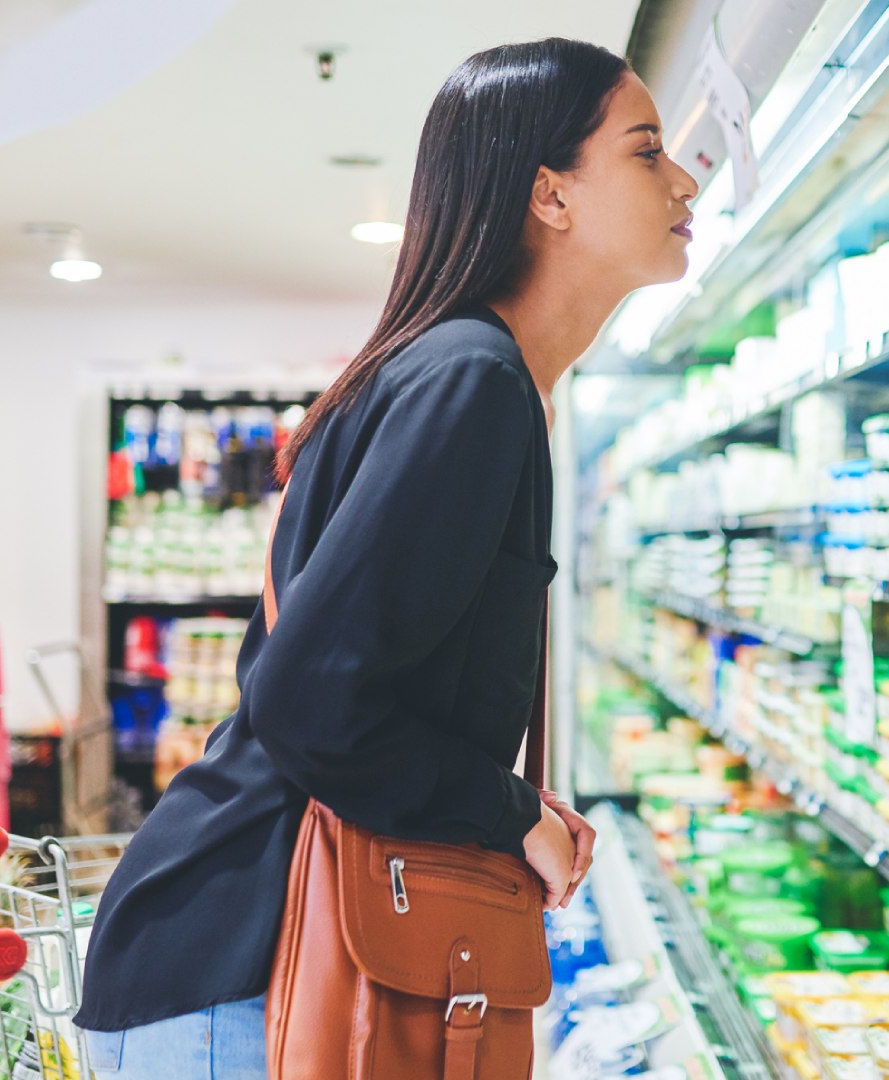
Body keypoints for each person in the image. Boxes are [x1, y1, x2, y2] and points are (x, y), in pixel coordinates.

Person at [71, 36, 698, 1077]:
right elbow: (312, 701)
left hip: (240, 960)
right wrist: (508, 813)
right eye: (645, 152)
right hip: (249, 976)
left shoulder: (465, 373)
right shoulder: (474, 380)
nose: (682, 179)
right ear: (549, 194)